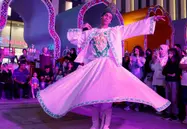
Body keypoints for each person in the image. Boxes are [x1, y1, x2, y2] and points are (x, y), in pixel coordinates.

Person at [37, 4, 170, 129]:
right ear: (102, 17)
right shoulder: (92, 32)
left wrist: (151, 20)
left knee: (107, 98)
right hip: (94, 66)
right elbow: (75, 39)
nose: (107, 18)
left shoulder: (115, 31)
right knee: (95, 98)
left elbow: (132, 28)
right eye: (106, 16)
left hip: (108, 66)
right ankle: (95, 124)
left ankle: (105, 125)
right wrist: (83, 28)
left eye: (110, 17)